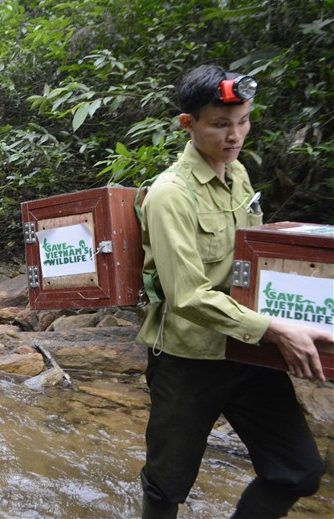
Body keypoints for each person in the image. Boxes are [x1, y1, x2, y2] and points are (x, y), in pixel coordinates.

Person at [137, 64, 325, 518]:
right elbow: (186, 296)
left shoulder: (237, 175)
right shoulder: (170, 195)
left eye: (243, 121)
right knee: (167, 485)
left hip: (248, 350)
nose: (235, 135)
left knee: (297, 471)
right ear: (189, 124)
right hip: (188, 359)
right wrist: (275, 329)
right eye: (221, 124)